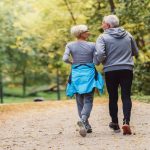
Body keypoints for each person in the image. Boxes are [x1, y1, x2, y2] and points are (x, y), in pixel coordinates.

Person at [95, 15, 138, 135]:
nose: (102, 25)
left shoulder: (102, 37)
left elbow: (100, 54)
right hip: (127, 69)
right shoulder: (128, 35)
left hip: (111, 70)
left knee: (113, 97)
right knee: (126, 96)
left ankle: (115, 124)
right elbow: (135, 52)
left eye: (103, 23)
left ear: (108, 25)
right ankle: (126, 122)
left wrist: (98, 62)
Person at [62, 25, 104, 137]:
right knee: (88, 99)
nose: (89, 32)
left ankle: (85, 124)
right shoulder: (92, 45)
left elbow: (65, 58)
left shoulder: (70, 45)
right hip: (89, 74)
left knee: (79, 100)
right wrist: (95, 61)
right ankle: (84, 119)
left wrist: (72, 63)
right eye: (87, 31)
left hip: (76, 74)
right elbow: (96, 60)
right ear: (81, 33)